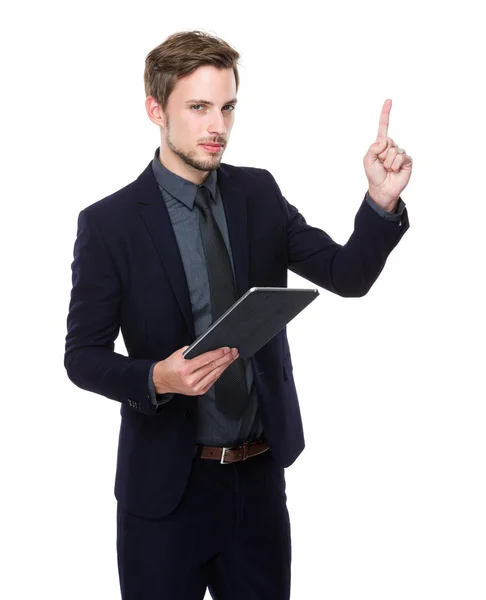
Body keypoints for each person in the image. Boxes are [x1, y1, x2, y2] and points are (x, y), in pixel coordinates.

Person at [64, 29, 412, 600]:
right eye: (198, 108)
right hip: (166, 493)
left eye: (227, 107)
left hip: (257, 480)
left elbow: (347, 276)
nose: (217, 127)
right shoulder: (110, 224)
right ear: (156, 110)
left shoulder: (258, 193)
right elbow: (82, 357)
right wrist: (156, 378)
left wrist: (380, 203)